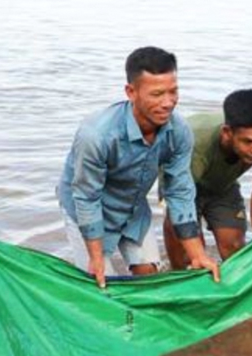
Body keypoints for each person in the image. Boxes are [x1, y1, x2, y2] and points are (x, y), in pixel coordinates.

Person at [57, 46, 219, 288]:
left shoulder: (179, 132)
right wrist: (96, 257)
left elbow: (179, 191)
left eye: (173, 92)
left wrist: (197, 253)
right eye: (156, 94)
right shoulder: (97, 135)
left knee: (149, 278)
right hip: (85, 207)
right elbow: (87, 197)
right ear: (131, 92)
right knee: (102, 286)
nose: (167, 103)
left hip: (132, 206)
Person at [164, 89, 252, 268]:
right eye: (249, 142)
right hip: (182, 183)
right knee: (191, 258)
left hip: (221, 185)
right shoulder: (194, 147)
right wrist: (197, 252)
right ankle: (178, 277)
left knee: (234, 247)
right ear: (227, 133)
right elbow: (178, 202)